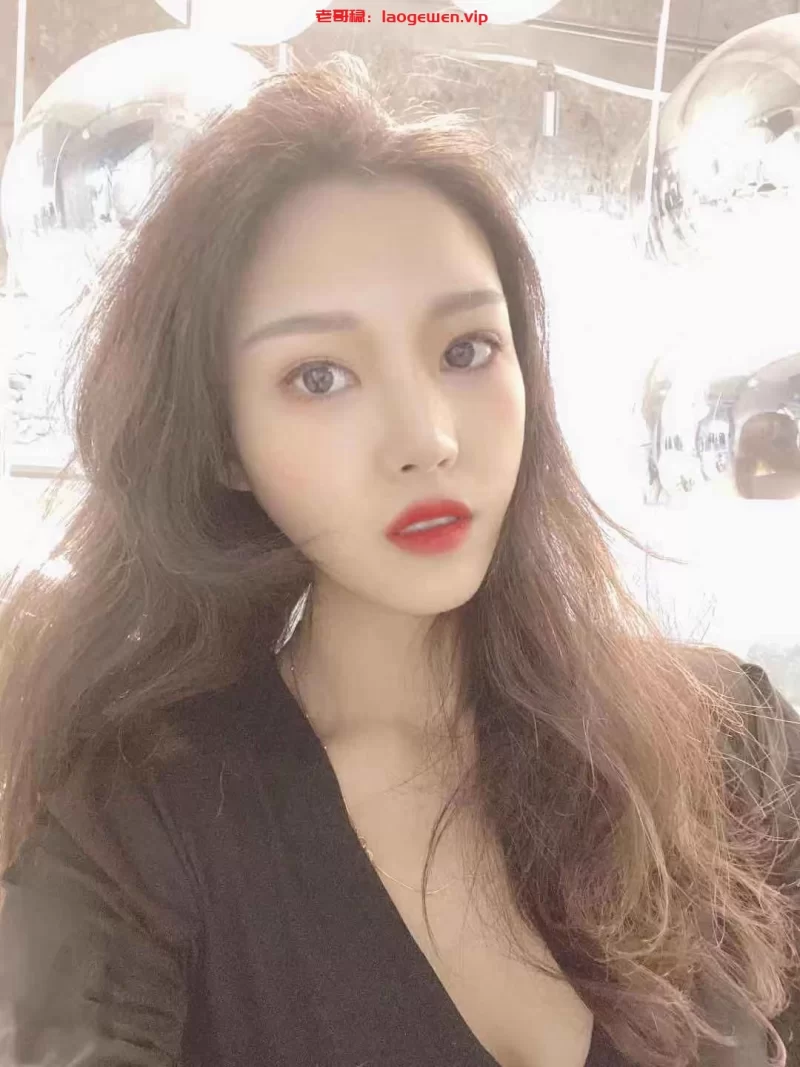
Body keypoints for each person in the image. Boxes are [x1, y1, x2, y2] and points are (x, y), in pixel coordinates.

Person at [0, 54, 798, 1067]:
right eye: (318, 375)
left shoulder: (730, 745)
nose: (427, 437)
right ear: (224, 442)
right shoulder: (141, 838)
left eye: (465, 350)